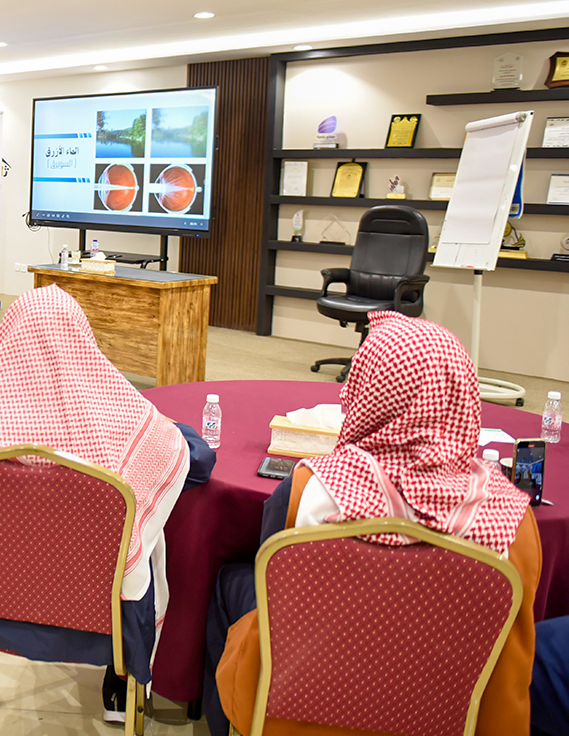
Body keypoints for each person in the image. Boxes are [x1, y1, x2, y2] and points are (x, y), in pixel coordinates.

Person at [206, 312, 539, 736]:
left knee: (232, 580)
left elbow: (271, 582)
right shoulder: (513, 519)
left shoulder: (310, 489)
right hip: (448, 723)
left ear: (369, 392)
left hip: (297, 714)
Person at [0, 285, 215, 723]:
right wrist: (167, 426)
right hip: (106, 623)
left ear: (5, 336)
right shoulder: (124, 421)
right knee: (146, 542)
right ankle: (121, 689)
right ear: (84, 339)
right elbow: (197, 462)